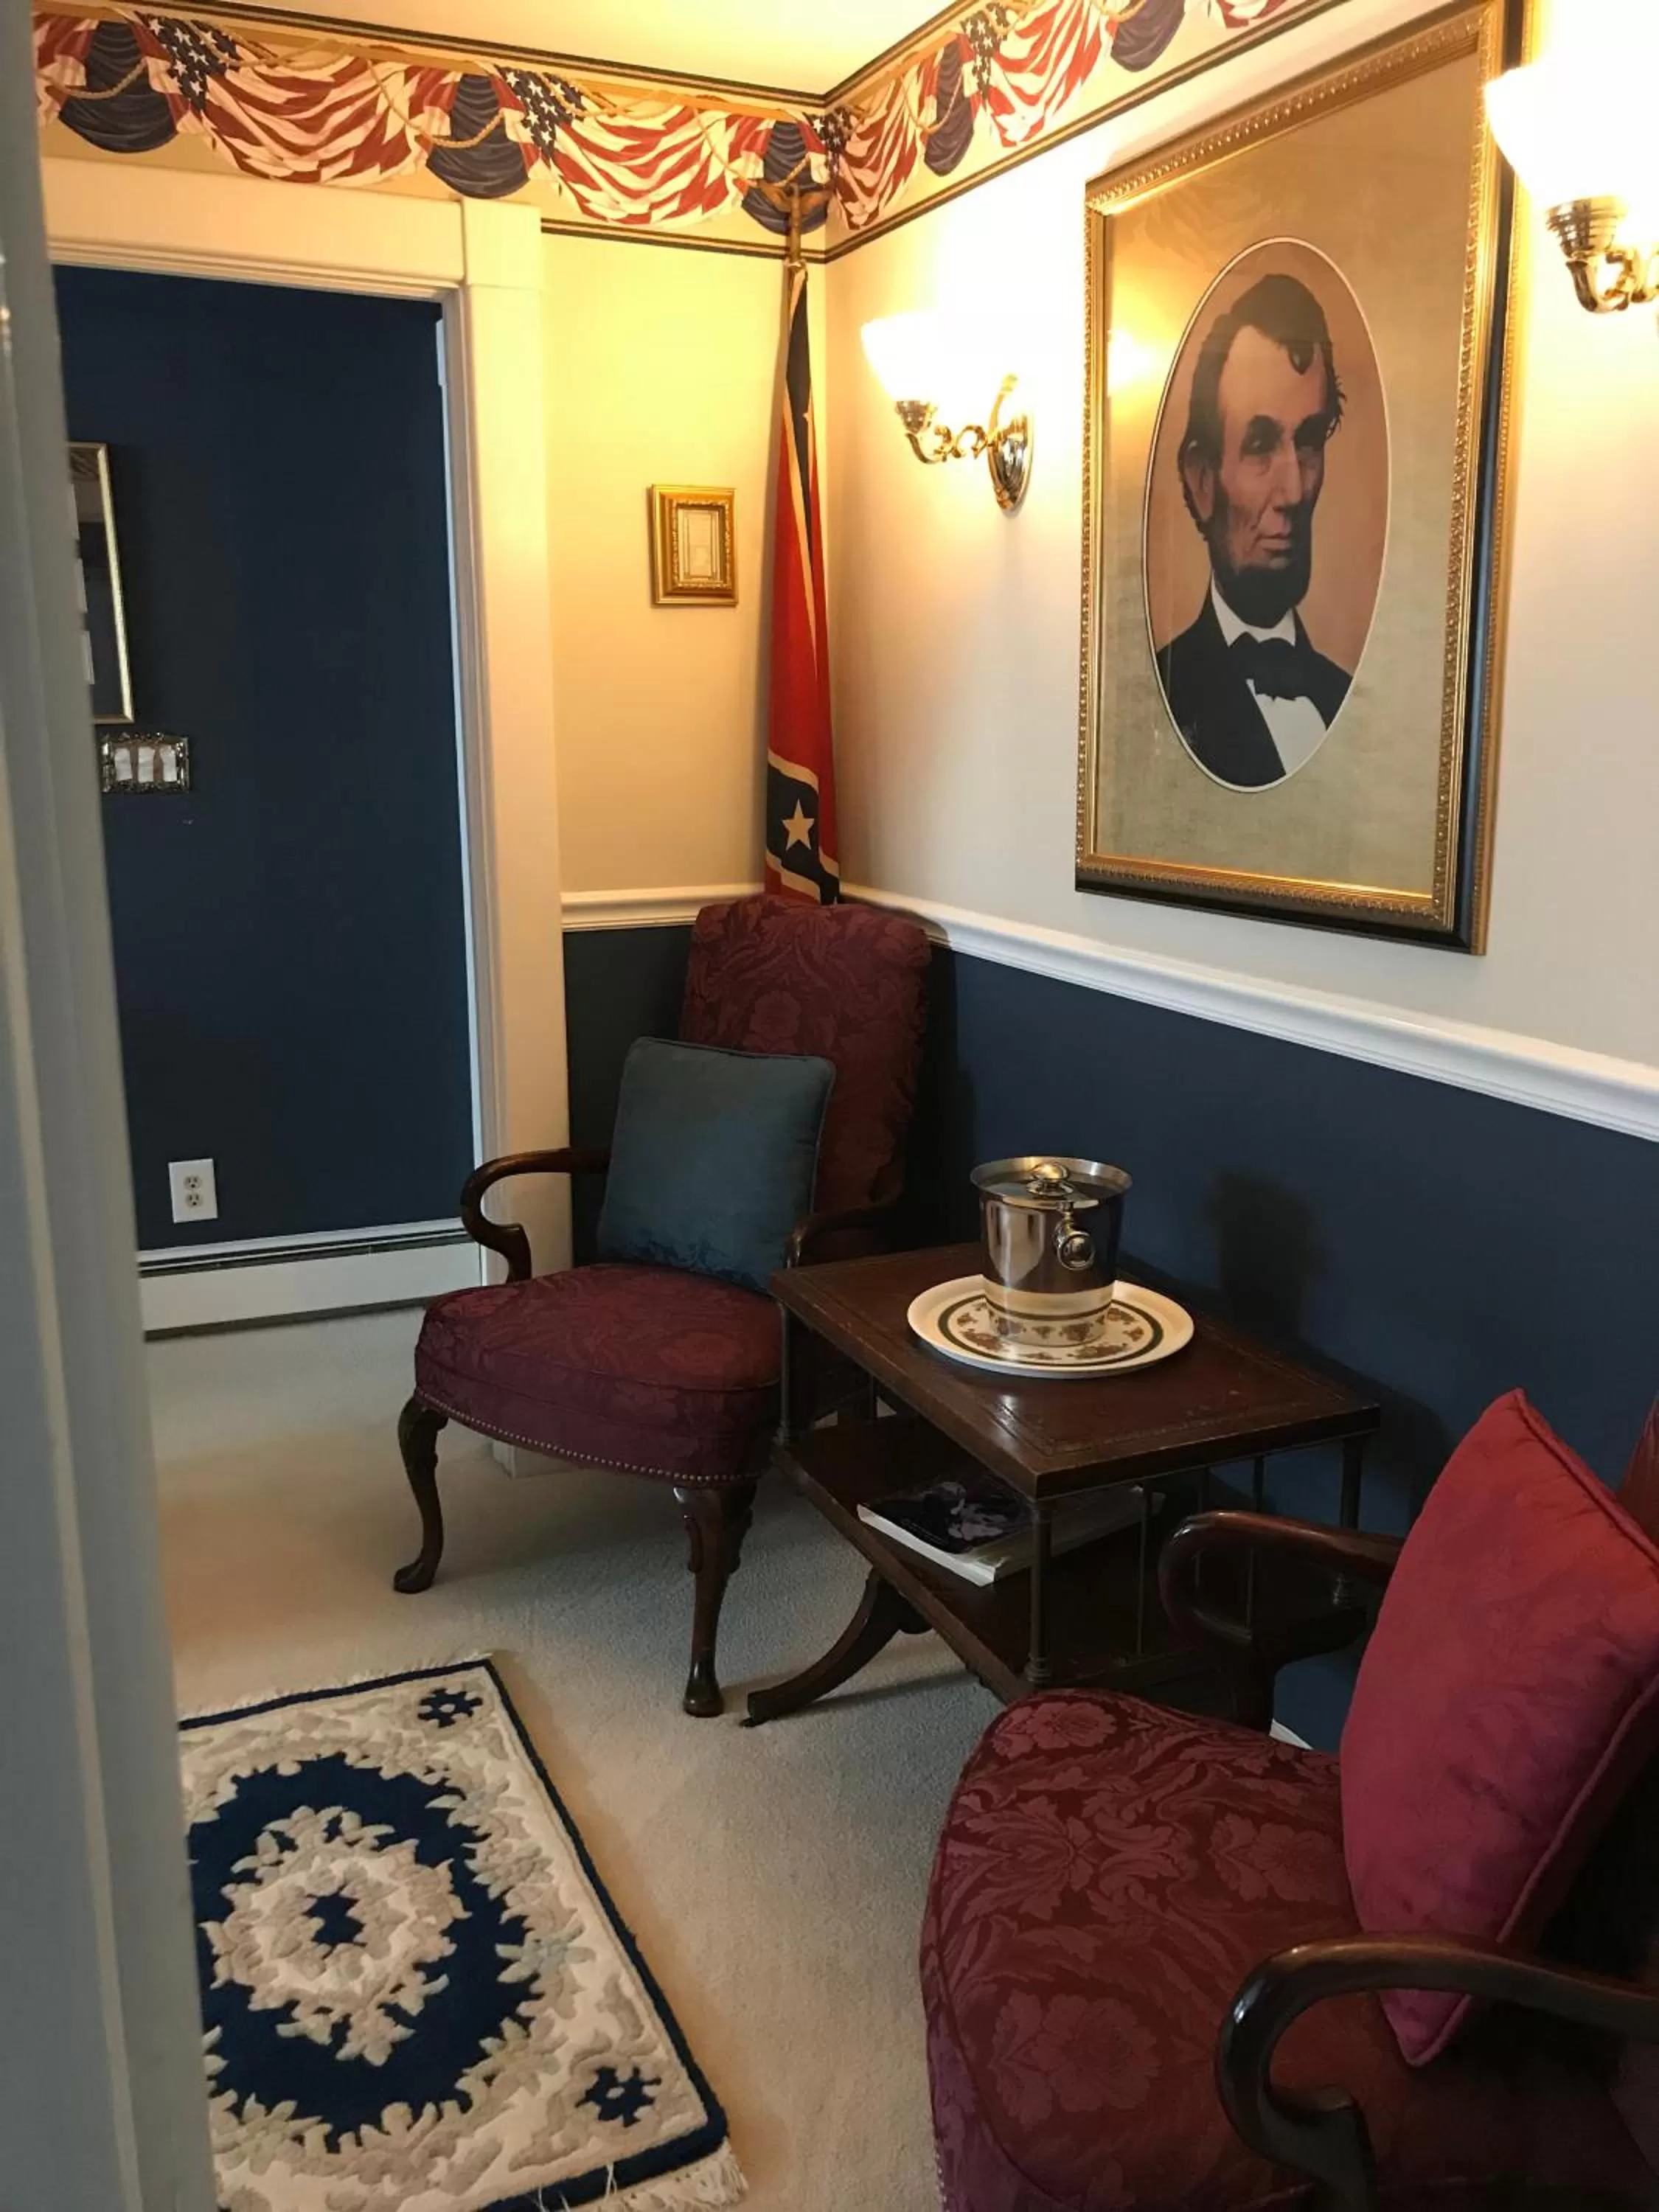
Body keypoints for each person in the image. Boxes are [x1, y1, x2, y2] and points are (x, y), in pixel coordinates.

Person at [1155, 271, 1351, 790]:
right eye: (1260, 446)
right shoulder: (1157, 699)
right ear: (1202, 481)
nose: (1292, 493)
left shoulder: (1350, 701)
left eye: (1308, 441)